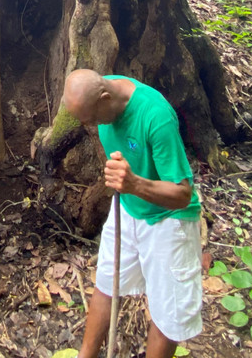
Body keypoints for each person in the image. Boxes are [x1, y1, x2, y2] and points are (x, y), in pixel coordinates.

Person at [62, 69, 202, 358]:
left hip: (168, 220)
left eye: (89, 118)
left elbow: (182, 194)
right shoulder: (103, 90)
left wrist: (134, 183)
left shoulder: (155, 116)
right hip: (128, 207)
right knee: (106, 283)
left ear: (104, 98)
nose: (87, 125)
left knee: (168, 312)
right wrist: (128, 186)